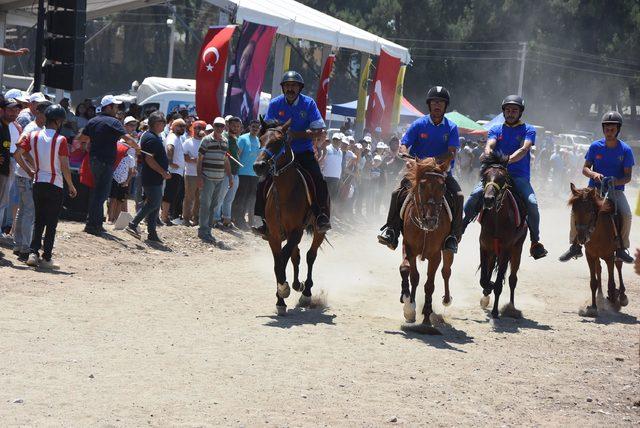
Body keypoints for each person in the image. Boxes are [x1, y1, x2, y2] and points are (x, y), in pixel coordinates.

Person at [377, 86, 463, 253]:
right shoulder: (418, 124)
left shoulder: (451, 127)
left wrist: (432, 164)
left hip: (442, 174)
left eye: (441, 103)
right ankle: (391, 230)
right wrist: (406, 157)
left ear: (445, 106)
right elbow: (403, 146)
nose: (437, 105)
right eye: (434, 102)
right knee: (396, 193)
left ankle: (453, 235)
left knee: (459, 196)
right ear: (429, 105)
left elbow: (452, 152)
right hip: (417, 173)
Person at [462, 95, 548, 259]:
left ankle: (535, 242)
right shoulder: (496, 129)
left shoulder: (528, 129)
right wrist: (488, 154)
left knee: (532, 204)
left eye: (514, 110)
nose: (511, 113)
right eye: (508, 110)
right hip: (496, 174)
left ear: (520, 112)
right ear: (503, 111)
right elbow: (490, 144)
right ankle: (461, 227)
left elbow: (524, 149)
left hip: (518, 176)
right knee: (474, 196)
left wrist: (508, 159)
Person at [252, 70, 330, 237]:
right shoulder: (275, 103)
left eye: (294, 85)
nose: (290, 88)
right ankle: (262, 221)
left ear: (300, 88)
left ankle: (321, 216)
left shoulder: (309, 104)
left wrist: (296, 134)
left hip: (303, 152)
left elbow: (318, 130)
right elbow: (268, 127)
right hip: (280, 154)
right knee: (262, 181)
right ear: (283, 88)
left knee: (319, 180)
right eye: (287, 85)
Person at [559, 111, 634, 263]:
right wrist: (594, 175)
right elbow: (585, 168)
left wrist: (615, 181)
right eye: (606, 128)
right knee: (575, 211)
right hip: (593, 190)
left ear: (618, 129)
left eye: (612, 129)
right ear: (603, 129)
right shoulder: (595, 146)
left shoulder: (625, 150)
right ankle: (575, 245)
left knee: (626, 215)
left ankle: (621, 248)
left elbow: (628, 177)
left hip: (615, 191)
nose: (609, 132)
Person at [14, 104, 77, 269]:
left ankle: (33, 253)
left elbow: (18, 153)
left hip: (38, 182)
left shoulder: (33, 135)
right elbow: (64, 165)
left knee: (38, 220)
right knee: (51, 223)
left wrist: (30, 170)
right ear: (57, 121)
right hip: (55, 184)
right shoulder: (61, 140)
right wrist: (70, 184)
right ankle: (47, 257)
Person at [79, 95, 140, 236]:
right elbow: (127, 138)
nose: (117, 108)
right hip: (106, 162)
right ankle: (94, 225)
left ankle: (93, 223)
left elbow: (82, 137)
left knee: (96, 192)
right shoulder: (114, 122)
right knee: (102, 194)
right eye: (115, 106)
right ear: (109, 107)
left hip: (93, 160)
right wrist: (136, 147)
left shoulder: (93, 121)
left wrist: (90, 142)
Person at [12, 100, 51, 261]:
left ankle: (19, 244)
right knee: (30, 212)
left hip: (23, 175)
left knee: (23, 211)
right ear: (40, 113)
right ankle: (25, 248)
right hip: (26, 176)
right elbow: (18, 152)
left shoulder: (35, 128)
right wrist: (31, 169)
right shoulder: (32, 129)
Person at [125, 111, 171, 242]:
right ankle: (133, 224)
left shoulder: (151, 136)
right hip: (152, 176)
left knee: (155, 204)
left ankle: (152, 233)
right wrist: (163, 172)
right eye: (163, 123)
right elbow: (150, 160)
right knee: (154, 202)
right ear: (157, 124)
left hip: (153, 176)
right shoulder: (151, 138)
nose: (164, 126)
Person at [197, 116, 233, 243]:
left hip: (220, 178)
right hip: (207, 177)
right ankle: (203, 230)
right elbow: (199, 159)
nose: (219, 128)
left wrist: (230, 176)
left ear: (224, 127)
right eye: (217, 125)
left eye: (221, 126)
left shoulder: (224, 141)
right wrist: (199, 177)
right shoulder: (206, 140)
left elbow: (225, 159)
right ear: (213, 125)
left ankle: (208, 230)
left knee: (213, 206)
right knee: (205, 205)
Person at [213, 116, 242, 229]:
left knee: (229, 199)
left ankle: (226, 219)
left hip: (235, 173)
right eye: (234, 125)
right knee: (220, 197)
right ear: (228, 125)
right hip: (225, 173)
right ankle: (215, 219)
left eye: (238, 126)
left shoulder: (234, 138)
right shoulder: (224, 137)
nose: (236, 128)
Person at [232, 119, 261, 229]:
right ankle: (237, 219)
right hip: (242, 173)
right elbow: (237, 155)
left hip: (254, 175)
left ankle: (244, 220)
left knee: (250, 198)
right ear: (249, 127)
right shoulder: (243, 138)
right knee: (241, 197)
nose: (255, 129)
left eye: (257, 128)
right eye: (253, 127)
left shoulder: (258, 140)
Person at [161, 118, 187, 225]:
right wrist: (170, 162)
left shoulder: (177, 137)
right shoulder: (172, 137)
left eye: (184, 126)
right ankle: (164, 217)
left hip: (177, 171)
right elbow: (169, 148)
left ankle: (164, 216)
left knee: (171, 195)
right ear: (173, 126)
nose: (182, 128)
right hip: (173, 171)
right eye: (179, 126)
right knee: (169, 195)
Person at [182, 120, 206, 226]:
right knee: (189, 197)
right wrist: (196, 160)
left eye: (201, 128)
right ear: (193, 129)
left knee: (199, 199)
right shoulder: (188, 142)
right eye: (196, 127)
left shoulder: (206, 142)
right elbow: (185, 157)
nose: (198, 130)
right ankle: (186, 219)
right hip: (191, 174)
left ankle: (196, 219)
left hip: (202, 175)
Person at [322, 132, 343, 203]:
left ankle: (332, 213)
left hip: (336, 178)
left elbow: (339, 165)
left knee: (334, 198)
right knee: (326, 197)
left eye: (338, 140)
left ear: (340, 141)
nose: (336, 141)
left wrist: (340, 177)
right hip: (327, 177)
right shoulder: (327, 149)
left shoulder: (341, 152)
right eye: (335, 139)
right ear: (332, 140)